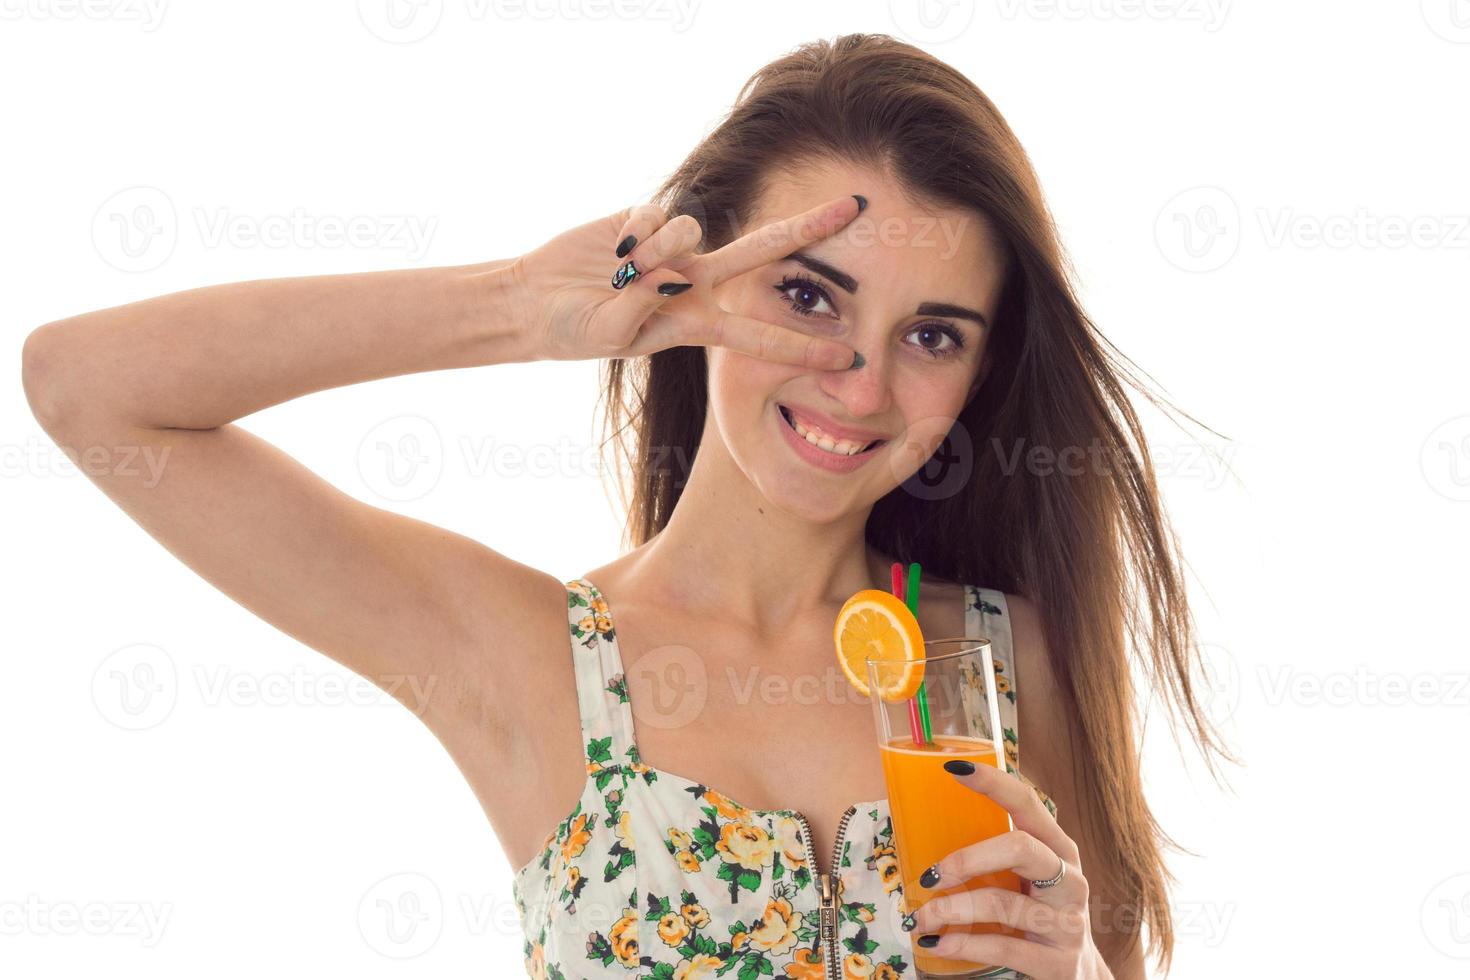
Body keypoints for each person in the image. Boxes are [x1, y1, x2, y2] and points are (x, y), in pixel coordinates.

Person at [23, 33, 1232, 980]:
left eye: (929, 333)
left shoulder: (992, 657)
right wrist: (515, 307)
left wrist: (1078, 962)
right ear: (695, 281)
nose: (859, 381)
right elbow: (88, 390)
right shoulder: (534, 660)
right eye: (808, 297)